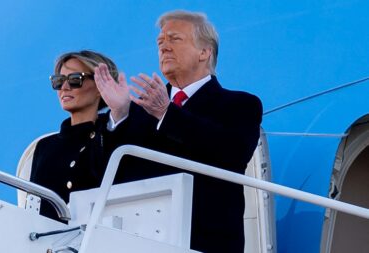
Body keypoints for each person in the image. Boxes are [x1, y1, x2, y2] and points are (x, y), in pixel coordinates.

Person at [95, 10, 263, 253]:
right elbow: (110, 174)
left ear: (205, 52)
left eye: (174, 39)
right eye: (160, 42)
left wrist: (167, 114)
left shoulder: (240, 104)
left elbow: (232, 153)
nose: (164, 48)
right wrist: (119, 115)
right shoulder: (140, 111)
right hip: (140, 241)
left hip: (205, 241)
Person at [19, 50, 119, 222]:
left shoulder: (112, 134)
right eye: (59, 81)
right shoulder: (44, 146)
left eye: (75, 80)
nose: (64, 87)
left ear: (100, 86)